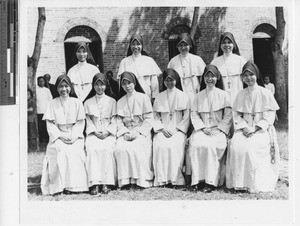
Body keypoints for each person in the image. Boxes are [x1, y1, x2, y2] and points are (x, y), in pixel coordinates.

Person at [226, 61, 280, 193]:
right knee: (236, 145)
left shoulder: (265, 93)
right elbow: (237, 115)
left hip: (260, 130)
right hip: (244, 130)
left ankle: (253, 184)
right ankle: (239, 183)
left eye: (251, 75)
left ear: (256, 75)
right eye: (245, 75)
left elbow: (269, 116)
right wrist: (244, 128)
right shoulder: (240, 94)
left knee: (251, 148)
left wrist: (254, 128)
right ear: (242, 78)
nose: (248, 78)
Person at [40, 74, 88, 195]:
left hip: (74, 135)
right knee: (60, 151)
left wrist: (74, 136)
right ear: (57, 89)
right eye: (61, 87)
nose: (64, 89)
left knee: (75, 152)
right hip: (58, 135)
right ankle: (59, 186)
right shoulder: (52, 104)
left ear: (70, 88)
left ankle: (75, 186)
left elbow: (80, 122)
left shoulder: (77, 102)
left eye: (66, 86)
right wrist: (61, 136)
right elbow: (50, 125)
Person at [188, 65, 232, 193]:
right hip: (202, 130)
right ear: (203, 78)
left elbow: (228, 115)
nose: (209, 78)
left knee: (210, 146)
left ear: (217, 77)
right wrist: (202, 128)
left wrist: (220, 129)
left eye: (212, 76)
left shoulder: (224, 95)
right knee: (196, 144)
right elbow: (194, 114)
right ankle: (197, 180)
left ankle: (211, 181)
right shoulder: (198, 96)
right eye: (207, 76)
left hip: (218, 130)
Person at [114, 71, 154, 189]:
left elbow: (149, 119)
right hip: (126, 132)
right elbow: (118, 121)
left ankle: (140, 181)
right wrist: (125, 132)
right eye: (124, 84)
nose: (127, 86)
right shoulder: (120, 101)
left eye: (129, 83)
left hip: (141, 131)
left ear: (134, 83)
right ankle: (126, 181)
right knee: (121, 149)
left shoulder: (143, 97)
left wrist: (138, 132)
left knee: (137, 148)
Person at [152, 68, 190, 187]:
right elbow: (155, 116)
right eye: (167, 80)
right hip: (163, 130)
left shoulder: (183, 96)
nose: (169, 83)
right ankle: (162, 179)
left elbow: (186, 117)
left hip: (178, 130)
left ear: (176, 80)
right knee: (160, 145)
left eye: (172, 80)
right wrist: (162, 129)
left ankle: (176, 179)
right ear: (163, 82)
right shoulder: (159, 97)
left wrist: (177, 129)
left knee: (173, 147)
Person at [84, 73, 117, 195]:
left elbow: (115, 119)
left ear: (106, 85)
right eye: (97, 85)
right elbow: (87, 120)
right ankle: (94, 183)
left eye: (102, 84)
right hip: (94, 133)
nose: (99, 87)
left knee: (107, 149)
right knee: (92, 149)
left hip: (108, 133)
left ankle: (106, 182)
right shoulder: (87, 102)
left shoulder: (112, 101)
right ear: (93, 86)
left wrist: (108, 132)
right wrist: (95, 132)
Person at [117, 35, 161, 101]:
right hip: (130, 97)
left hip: (146, 95)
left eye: (138, 44)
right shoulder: (124, 62)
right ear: (130, 46)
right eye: (133, 44)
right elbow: (121, 82)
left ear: (142, 45)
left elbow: (154, 82)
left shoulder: (149, 61)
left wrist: (154, 97)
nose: (135, 47)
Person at [168, 33, 206, 103]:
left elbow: (202, 78)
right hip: (180, 89)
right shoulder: (173, 61)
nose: (183, 48)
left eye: (185, 45)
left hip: (194, 89)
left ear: (190, 45)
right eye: (180, 45)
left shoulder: (197, 59)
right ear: (177, 46)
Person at [211, 32, 247, 105]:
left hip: (238, 95)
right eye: (224, 43)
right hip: (221, 99)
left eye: (229, 42)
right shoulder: (215, 62)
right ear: (220, 45)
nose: (226, 45)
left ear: (233, 44)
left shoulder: (241, 60)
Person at [36, 76, 53, 144]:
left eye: (42, 81)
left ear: (44, 82)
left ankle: (46, 139)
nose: (41, 82)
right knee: (40, 126)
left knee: (46, 126)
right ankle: (41, 139)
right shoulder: (36, 89)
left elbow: (50, 99)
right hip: (38, 110)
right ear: (38, 82)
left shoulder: (47, 90)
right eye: (40, 81)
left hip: (46, 110)